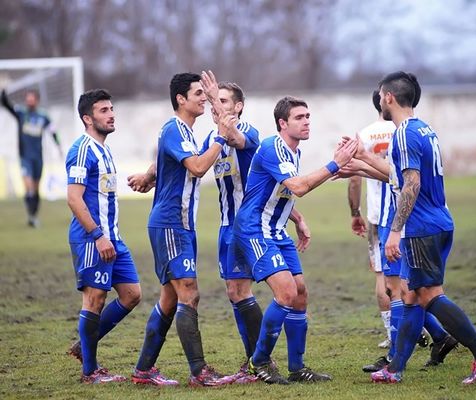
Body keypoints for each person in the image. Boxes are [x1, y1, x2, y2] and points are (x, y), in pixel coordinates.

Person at [355, 71, 476, 384]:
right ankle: (395, 368)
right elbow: (399, 176)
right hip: (437, 221)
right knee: (411, 296)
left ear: (389, 98)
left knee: (431, 296)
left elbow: (411, 183)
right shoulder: (423, 129)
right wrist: (363, 158)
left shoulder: (405, 133)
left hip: (421, 227)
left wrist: (395, 231)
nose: (380, 100)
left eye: (381, 95)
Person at [230, 96, 358, 384]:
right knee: (286, 292)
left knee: (299, 293)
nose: (307, 121)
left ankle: (297, 368)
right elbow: (298, 186)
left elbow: (279, 192)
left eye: (308, 116)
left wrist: (297, 219)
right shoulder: (272, 147)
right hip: (254, 229)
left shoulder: (293, 151)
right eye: (300, 117)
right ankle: (259, 361)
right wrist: (334, 164)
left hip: (277, 231)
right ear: (282, 123)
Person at [127, 71, 234, 387]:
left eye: (204, 94)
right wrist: (221, 137)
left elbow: (170, 159)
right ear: (180, 99)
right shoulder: (174, 128)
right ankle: (200, 373)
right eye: (198, 93)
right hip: (171, 223)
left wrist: (149, 175)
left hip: (181, 225)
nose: (203, 98)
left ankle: (144, 371)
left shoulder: (184, 131)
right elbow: (199, 167)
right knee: (190, 292)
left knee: (170, 300)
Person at [65, 89, 142, 383]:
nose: (111, 114)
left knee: (132, 294)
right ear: (87, 118)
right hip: (92, 238)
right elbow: (74, 198)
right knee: (95, 299)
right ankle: (90, 371)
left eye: (112, 109)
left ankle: (84, 346)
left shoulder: (105, 150)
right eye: (103, 110)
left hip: (113, 238)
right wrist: (97, 235)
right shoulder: (82, 150)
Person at [199, 81, 262, 383]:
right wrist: (150, 175)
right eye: (213, 99)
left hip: (247, 227)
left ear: (238, 107)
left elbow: (235, 138)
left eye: (222, 100)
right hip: (226, 226)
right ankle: (255, 361)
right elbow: (191, 161)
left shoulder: (248, 131)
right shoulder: (213, 137)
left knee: (242, 291)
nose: (215, 105)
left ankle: (259, 361)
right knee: (234, 292)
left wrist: (213, 100)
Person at [347, 90, 396, 350]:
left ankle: (393, 333)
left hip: (379, 214)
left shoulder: (364, 135)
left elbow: (354, 178)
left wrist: (355, 213)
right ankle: (416, 326)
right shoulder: (406, 129)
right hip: (411, 212)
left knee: (382, 276)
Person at [2, 88, 62, 227]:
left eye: (32, 98)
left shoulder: (43, 116)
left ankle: (33, 216)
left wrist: (58, 146)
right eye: (27, 98)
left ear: (37, 100)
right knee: (28, 188)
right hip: (25, 157)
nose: (29, 101)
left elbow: (53, 131)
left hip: (38, 158)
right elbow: (6, 105)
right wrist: (3, 93)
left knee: (35, 190)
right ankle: (31, 215)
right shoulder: (21, 113)